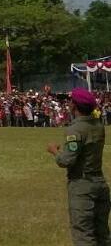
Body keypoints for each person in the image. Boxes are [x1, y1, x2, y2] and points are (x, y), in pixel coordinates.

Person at [47, 88, 109, 245]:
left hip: (82, 186)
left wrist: (55, 151)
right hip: (99, 182)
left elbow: (66, 161)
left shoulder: (75, 130)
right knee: (102, 233)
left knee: (83, 235)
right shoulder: (98, 126)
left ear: (74, 105)